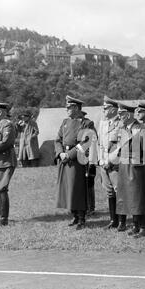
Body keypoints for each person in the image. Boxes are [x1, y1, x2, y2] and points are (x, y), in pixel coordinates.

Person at [54, 95, 95, 230]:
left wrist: (69, 155)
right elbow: (58, 139)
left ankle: (82, 218)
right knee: (68, 188)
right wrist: (60, 153)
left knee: (77, 189)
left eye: (69, 107)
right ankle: (74, 216)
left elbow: (85, 142)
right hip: (64, 158)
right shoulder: (65, 122)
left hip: (77, 160)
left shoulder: (86, 123)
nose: (67, 110)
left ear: (76, 108)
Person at [116, 102, 145, 238]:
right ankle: (135, 225)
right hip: (124, 165)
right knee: (127, 196)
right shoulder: (123, 128)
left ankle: (144, 227)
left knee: (137, 197)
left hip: (136, 166)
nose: (120, 116)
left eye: (121, 114)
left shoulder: (140, 128)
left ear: (129, 114)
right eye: (119, 114)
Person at [97, 96, 122, 230]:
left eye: (105, 108)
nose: (103, 110)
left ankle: (122, 221)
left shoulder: (121, 123)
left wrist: (111, 162)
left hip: (115, 165)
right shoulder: (102, 123)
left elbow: (120, 146)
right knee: (109, 192)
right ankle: (113, 220)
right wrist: (101, 160)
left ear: (113, 109)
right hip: (103, 164)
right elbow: (100, 143)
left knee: (119, 191)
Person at [80, 110, 97, 216]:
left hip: (88, 159)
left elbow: (93, 143)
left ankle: (91, 207)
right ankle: (84, 207)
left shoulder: (88, 124)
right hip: (80, 158)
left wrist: (91, 161)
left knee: (89, 183)